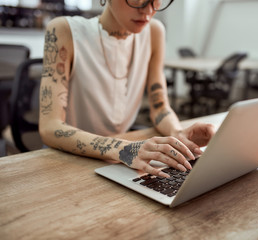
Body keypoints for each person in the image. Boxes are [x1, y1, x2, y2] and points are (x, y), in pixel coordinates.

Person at [38, 0, 215, 178]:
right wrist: (122, 148)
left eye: (156, 2)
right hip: (69, 157)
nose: (148, 11)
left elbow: (160, 106)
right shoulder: (64, 30)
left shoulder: (153, 31)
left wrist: (177, 133)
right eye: (138, 1)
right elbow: (50, 127)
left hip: (118, 157)